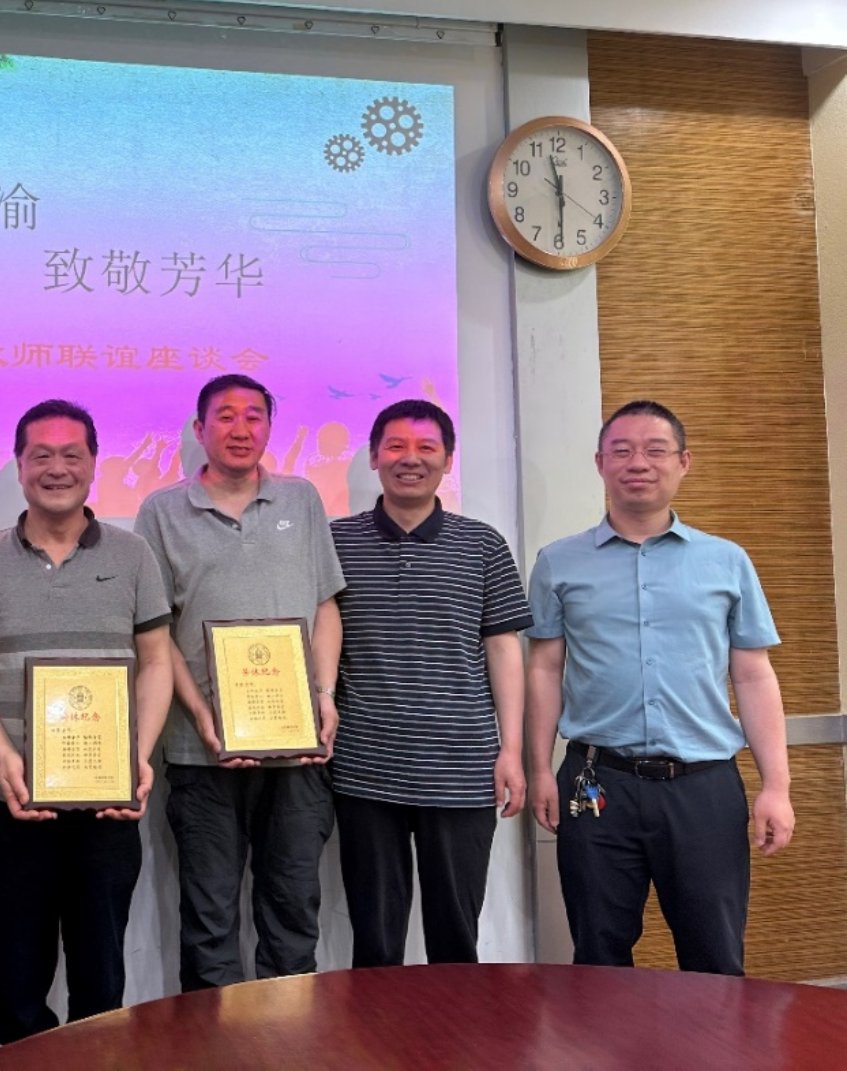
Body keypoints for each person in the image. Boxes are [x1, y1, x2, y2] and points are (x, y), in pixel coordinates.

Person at [525, 399, 795, 975]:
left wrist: (777, 785)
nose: (638, 463)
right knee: (598, 955)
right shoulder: (558, 562)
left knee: (714, 957)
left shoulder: (727, 562)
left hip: (703, 787)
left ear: (683, 462)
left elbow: (753, 674)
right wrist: (540, 769)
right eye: (621, 451)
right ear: (600, 463)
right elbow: (544, 669)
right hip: (597, 783)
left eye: (655, 450)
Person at [0, 399, 173, 1044]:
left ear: (94, 464)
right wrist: (3, 756)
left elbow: (157, 662)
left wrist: (138, 755)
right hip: (16, 802)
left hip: (109, 803)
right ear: (19, 465)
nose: (57, 468)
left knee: (102, 982)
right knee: (21, 983)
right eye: (40, 455)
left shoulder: (133, 555)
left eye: (72, 454)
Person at [133, 374, 344, 991]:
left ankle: (289, 1039)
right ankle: (213, 1040)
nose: (241, 428)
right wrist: (203, 716)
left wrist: (324, 696)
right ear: (200, 430)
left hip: (297, 751)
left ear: (270, 428)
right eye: (225, 416)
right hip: (202, 753)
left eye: (254, 416)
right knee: (209, 917)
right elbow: (156, 633)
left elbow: (325, 605)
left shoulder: (301, 499)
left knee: (293, 912)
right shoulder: (162, 512)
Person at [327, 400, 532, 967]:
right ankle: (375, 1025)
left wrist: (511, 750)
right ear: (374, 457)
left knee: (455, 934)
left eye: (426, 448)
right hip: (365, 766)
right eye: (395, 446)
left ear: (448, 459)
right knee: (375, 938)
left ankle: (455, 1025)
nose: (409, 459)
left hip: (463, 766)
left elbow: (503, 650)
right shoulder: (335, 542)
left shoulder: (483, 544)